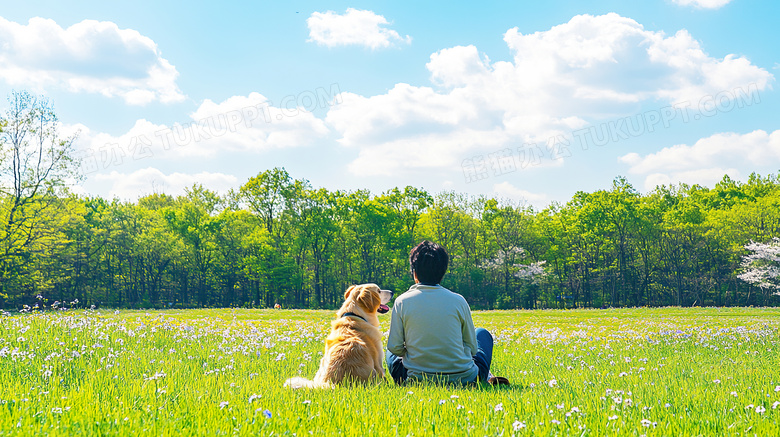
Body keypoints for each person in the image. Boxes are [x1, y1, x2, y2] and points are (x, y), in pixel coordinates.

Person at [386, 240, 501, 385]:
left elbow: (394, 348)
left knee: (389, 352)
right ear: (442, 273)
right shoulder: (458, 300)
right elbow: (472, 348)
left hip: (416, 379)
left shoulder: (402, 301)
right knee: (481, 333)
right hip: (465, 379)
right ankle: (486, 377)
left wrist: (413, 352)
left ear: (414, 273)